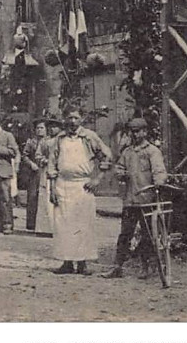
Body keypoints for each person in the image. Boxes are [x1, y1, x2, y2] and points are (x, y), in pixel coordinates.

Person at [48, 108, 112, 275]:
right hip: (62, 184)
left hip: (82, 185)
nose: (73, 122)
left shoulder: (90, 137)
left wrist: (97, 179)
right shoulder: (59, 139)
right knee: (63, 224)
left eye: (76, 118)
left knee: (83, 223)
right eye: (69, 118)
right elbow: (52, 163)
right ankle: (67, 262)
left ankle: (82, 263)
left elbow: (107, 156)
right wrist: (53, 188)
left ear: (81, 119)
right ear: (65, 120)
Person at [104, 117, 168, 279]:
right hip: (130, 200)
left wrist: (159, 183)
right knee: (125, 234)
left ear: (145, 132)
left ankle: (145, 267)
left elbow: (159, 171)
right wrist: (120, 173)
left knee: (147, 236)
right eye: (132, 131)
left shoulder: (152, 151)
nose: (134, 134)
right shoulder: (128, 152)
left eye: (137, 131)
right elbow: (119, 167)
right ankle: (117, 267)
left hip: (147, 199)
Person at [21, 118, 52, 233]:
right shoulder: (31, 142)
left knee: (45, 196)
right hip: (34, 172)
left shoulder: (50, 141)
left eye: (42, 128)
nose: (39, 130)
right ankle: (31, 224)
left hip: (46, 171)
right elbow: (24, 156)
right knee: (32, 196)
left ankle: (45, 224)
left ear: (46, 130)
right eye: (37, 128)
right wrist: (31, 164)